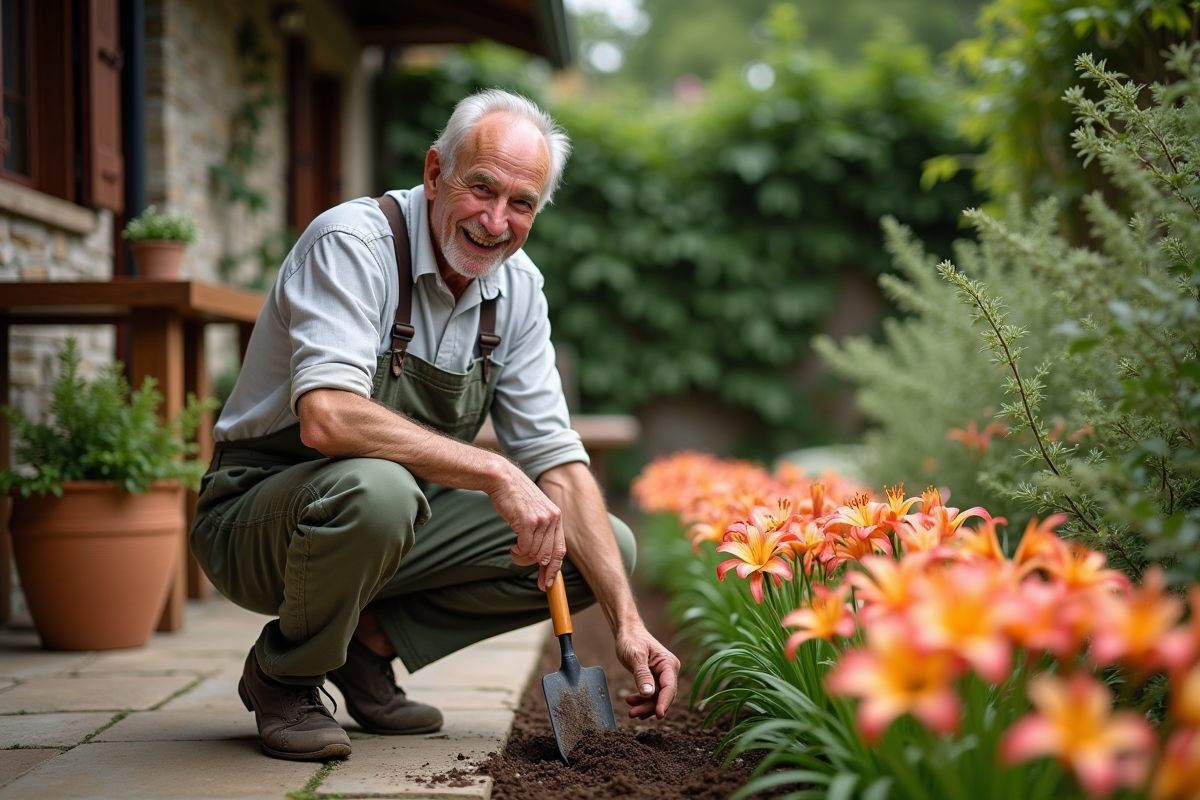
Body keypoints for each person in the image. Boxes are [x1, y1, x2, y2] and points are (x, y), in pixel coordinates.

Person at [190, 88, 680, 761]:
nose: (495, 220)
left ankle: (362, 651)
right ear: (433, 172)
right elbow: (326, 418)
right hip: (256, 514)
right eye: (481, 188)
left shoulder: (519, 292)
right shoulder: (353, 243)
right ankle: (284, 677)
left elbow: (559, 462)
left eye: (522, 204)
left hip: (388, 515)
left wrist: (629, 624)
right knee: (380, 491)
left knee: (602, 549)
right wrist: (495, 469)